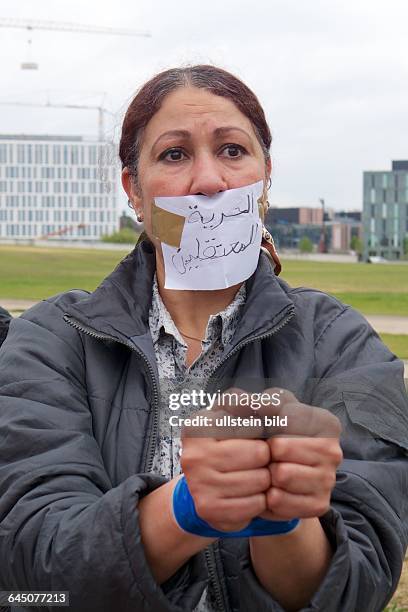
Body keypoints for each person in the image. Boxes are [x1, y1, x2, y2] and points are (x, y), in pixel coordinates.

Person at [0, 65, 407, 612]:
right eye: (174, 154)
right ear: (134, 192)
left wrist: (284, 513)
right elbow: (33, 567)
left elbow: (362, 582)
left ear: (264, 180)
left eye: (233, 151)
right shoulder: (51, 339)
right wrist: (184, 508)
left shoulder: (343, 343)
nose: (209, 181)